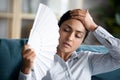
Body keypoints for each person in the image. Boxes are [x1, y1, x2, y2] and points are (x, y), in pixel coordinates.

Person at [19, 9, 120, 80]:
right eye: (66, 30)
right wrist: (26, 69)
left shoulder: (88, 60)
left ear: (82, 40)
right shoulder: (39, 59)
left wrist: (94, 27)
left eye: (78, 35)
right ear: (57, 29)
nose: (69, 38)